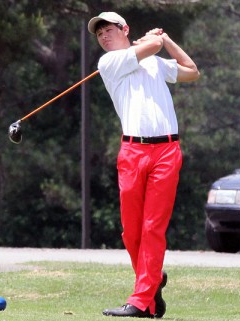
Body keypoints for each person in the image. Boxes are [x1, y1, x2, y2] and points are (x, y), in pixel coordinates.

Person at [87, 12, 200, 318]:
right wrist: (154, 40)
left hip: (166, 150)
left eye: (109, 30)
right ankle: (153, 282)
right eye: (99, 35)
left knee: (153, 227)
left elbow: (192, 71)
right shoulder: (108, 63)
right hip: (132, 152)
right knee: (131, 232)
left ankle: (141, 300)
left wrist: (166, 40)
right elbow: (148, 48)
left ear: (125, 29)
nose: (104, 37)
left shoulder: (155, 63)